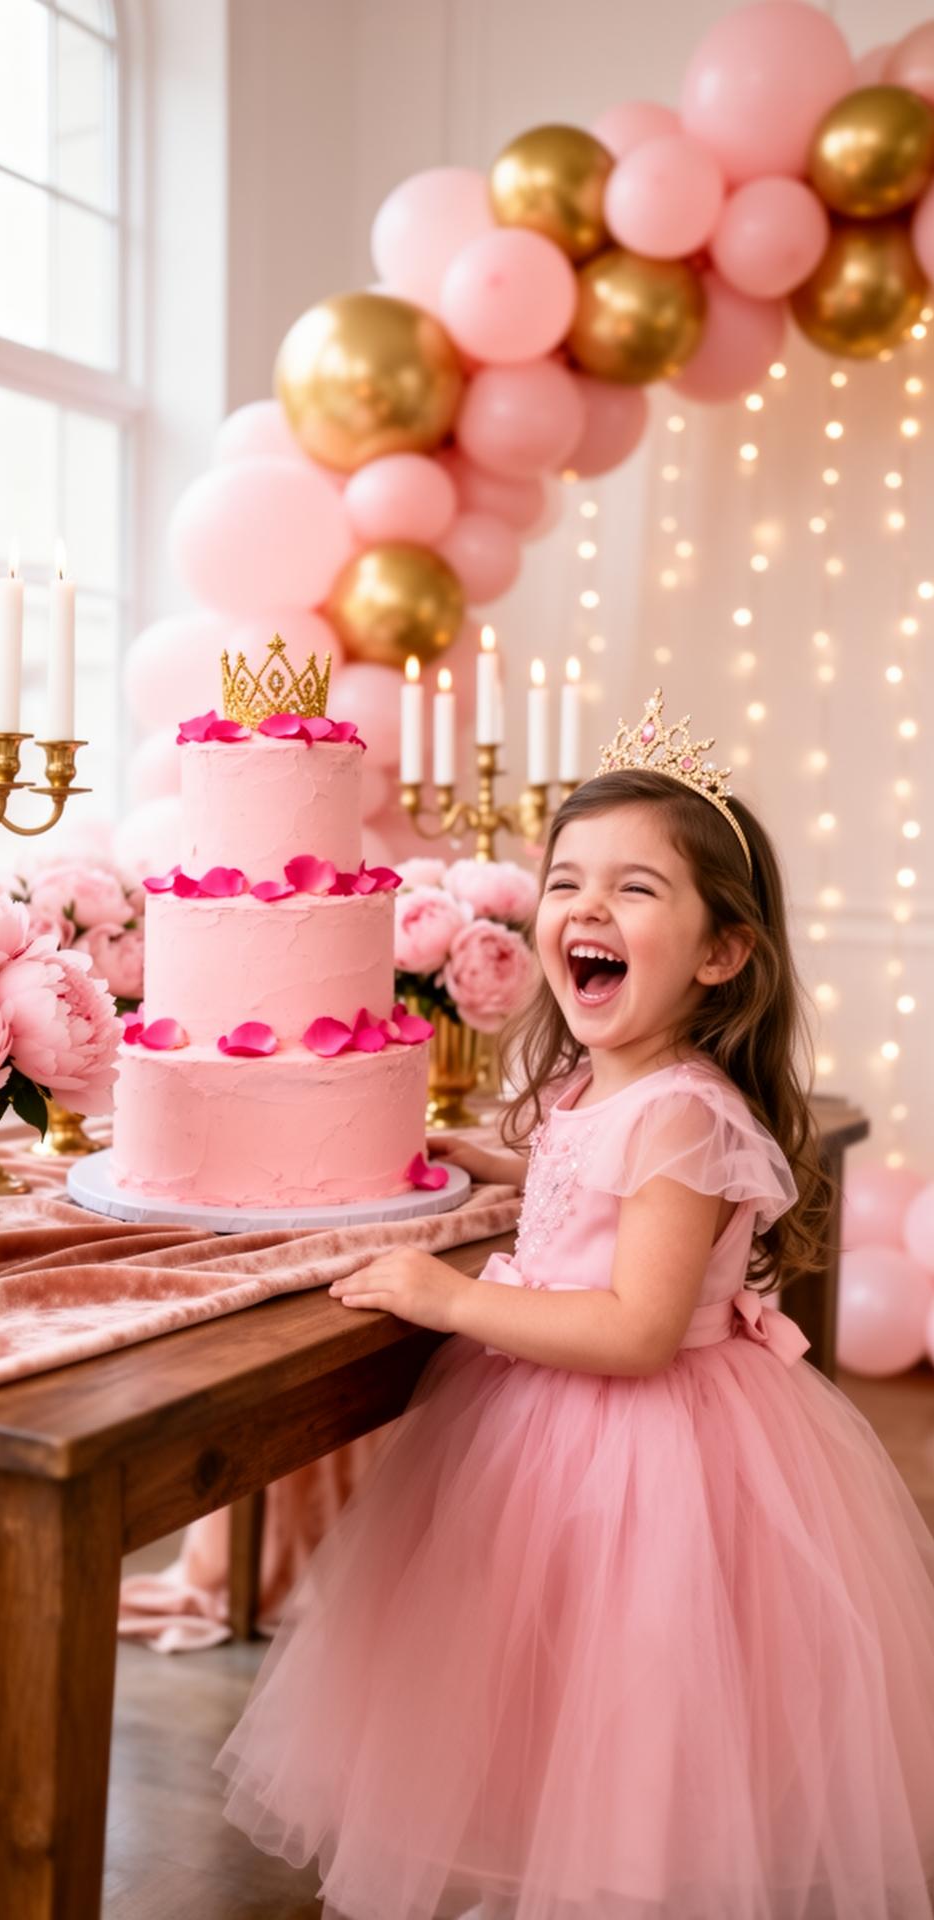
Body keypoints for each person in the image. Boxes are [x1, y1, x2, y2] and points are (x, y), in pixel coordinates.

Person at [213, 688, 934, 1920]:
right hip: (547, 1433)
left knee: (627, 1711)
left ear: (721, 952)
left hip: (646, 1454)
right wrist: (497, 1162)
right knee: (530, 1702)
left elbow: (638, 1327)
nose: (587, 909)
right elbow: (576, 1171)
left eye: (636, 890)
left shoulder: (683, 1117)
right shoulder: (607, 1089)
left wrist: (447, 1297)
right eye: (566, 883)